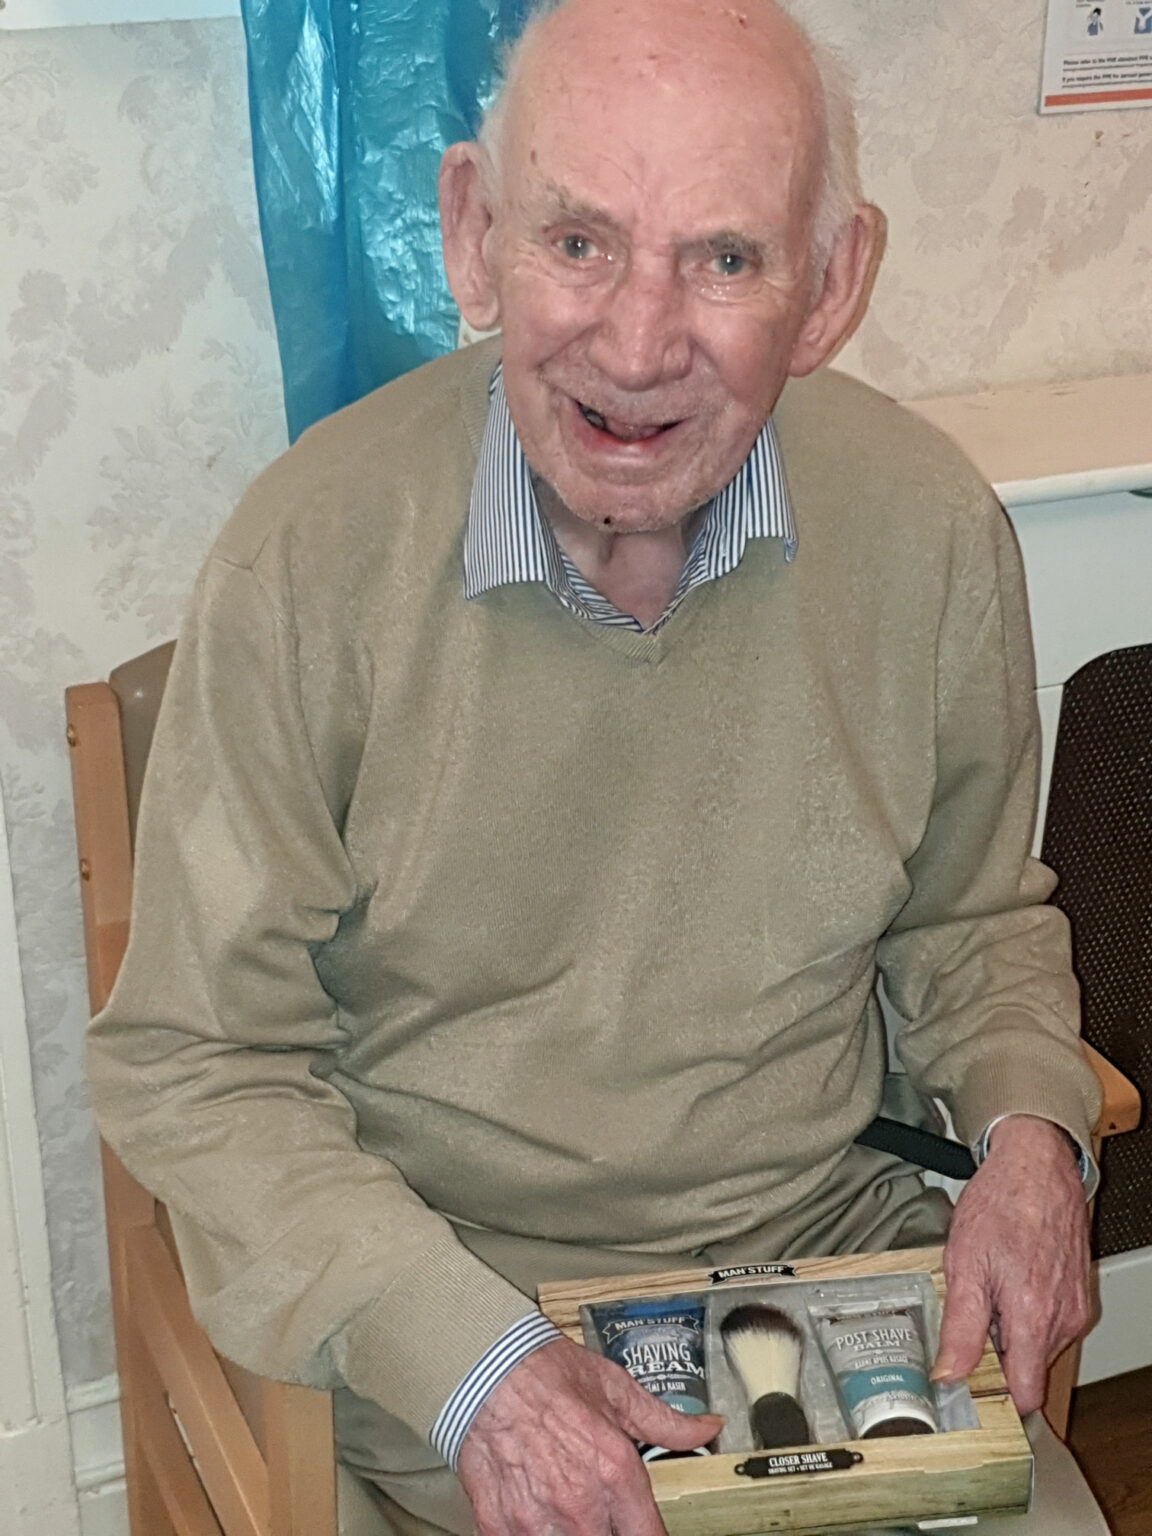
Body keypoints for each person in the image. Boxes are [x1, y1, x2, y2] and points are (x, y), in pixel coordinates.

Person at [88, 2, 1102, 1533]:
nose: (636, 347)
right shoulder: (304, 564)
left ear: (831, 286)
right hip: (449, 1312)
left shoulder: (932, 529)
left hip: (823, 1278)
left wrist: (1030, 1135)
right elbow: (196, 1059)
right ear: (472, 234)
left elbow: (971, 922)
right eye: (579, 242)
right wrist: (475, 1363)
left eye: (725, 257)